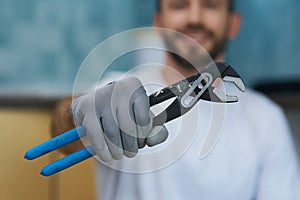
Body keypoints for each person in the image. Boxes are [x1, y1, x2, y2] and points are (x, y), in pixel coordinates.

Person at [51, 0, 300, 199]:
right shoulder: (116, 89)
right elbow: (63, 136)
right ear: (158, 22)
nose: (194, 17)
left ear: (233, 24)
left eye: (210, 5)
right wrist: (76, 113)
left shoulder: (266, 119)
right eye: (179, 5)